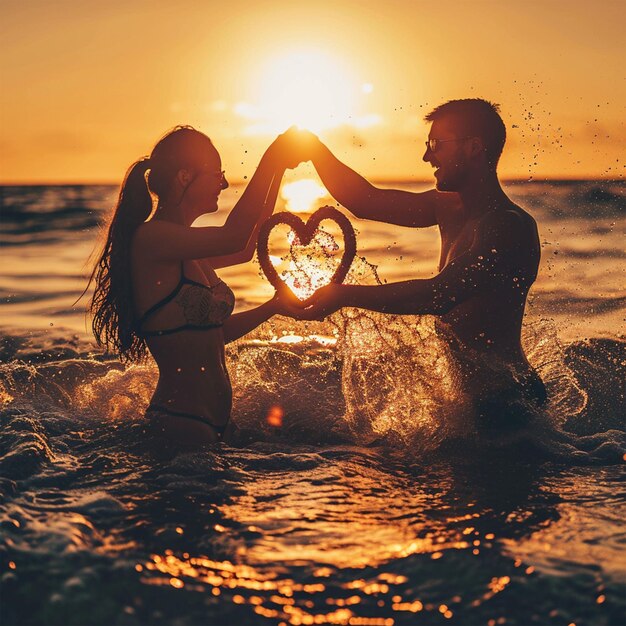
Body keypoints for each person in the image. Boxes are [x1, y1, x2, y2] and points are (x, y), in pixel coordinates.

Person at [284, 99, 547, 424]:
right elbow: (364, 201)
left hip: (508, 401)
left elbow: (440, 295)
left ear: (474, 148)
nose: (427, 156)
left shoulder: (508, 226)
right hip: (477, 400)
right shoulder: (447, 208)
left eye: (436, 144)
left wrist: (344, 295)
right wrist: (315, 150)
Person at [88, 126, 301, 446]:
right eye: (218, 174)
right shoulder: (152, 239)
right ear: (185, 176)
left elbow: (243, 251)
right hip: (180, 424)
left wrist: (272, 307)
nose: (225, 183)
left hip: (214, 426)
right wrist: (270, 159)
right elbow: (234, 235)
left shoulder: (185, 251)